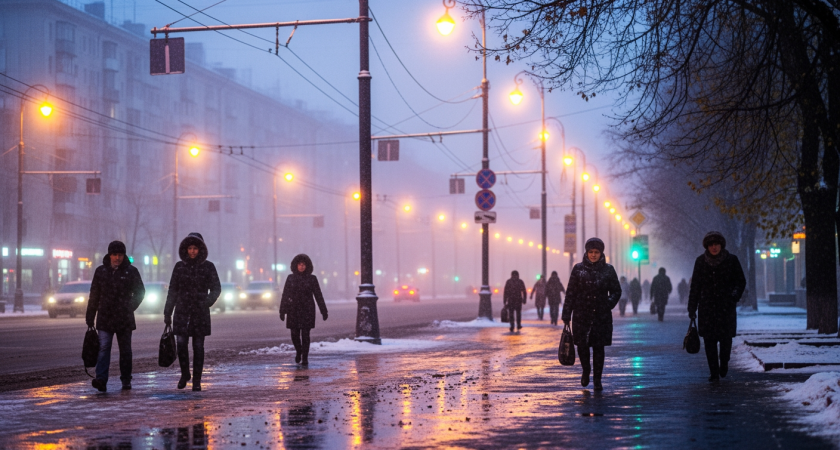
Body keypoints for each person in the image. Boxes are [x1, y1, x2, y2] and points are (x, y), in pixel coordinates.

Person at [164, 232, 221, 392]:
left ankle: (197, 380)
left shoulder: (208, 266)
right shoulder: (179, 267)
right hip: (182, 311)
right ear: (185, 249)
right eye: (190, 248)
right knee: (181, 345)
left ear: (200, 249)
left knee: (198, 347)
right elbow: (173, 290)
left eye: (195, 248)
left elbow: (216, 288)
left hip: (200, 313)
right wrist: (167, 312)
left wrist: (206, 302)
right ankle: (185, 374)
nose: (193, 251)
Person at [86, 240, 145, 392]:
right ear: (109, 255)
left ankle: (126, 379)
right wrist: (90, 315)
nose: (117, 258)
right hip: (105, 317)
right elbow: (94, 295)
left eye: (120, 255)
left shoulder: (131, 271)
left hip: (124, 318)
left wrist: (129, 307)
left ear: (124, 255)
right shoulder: (101, 271)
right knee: (104, 348)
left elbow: (140, 292)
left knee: (125, 350)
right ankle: (101, 380)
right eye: (114, 254)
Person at [562, 238, 621, 391]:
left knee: (598, 348)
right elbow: (571, 293)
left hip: (601, 316)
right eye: (591, 252)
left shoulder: (608, 270)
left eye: (596, 252)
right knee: (582, 346)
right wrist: (566, 314)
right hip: (581, 314)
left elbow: (616, 290)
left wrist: (607, 304)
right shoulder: (578, 269)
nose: (593, 255)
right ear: (586, 252)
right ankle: (586, 370)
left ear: (601, 253)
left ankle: (597, 379)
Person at [688, 231, 746, 382]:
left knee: (726, 340)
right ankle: (714, 372)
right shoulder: (700, 262)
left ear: (721, 245)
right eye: (711, 245)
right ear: (707, 246)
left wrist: (733, 296)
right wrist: (692, 308)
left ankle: (724, 361)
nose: (714, 247)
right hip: (707, 308)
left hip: (726, 307)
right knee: (709, 341)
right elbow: (695, 286)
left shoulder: (731, 260)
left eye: (716, 244)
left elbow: (741, 281)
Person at [280, 254, 328, 365]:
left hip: (307, 310)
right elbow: (285, 295)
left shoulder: (312, 279)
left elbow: (318, 295)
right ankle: (299, 351)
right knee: (294, 334)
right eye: (299, 264)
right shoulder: (290, 278)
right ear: (295, 265)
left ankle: (305, 357)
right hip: (293, 309)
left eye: (304, 264)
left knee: (305, 334)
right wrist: (282, 310)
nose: (302, 266)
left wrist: (323, 310)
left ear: (307, 266)